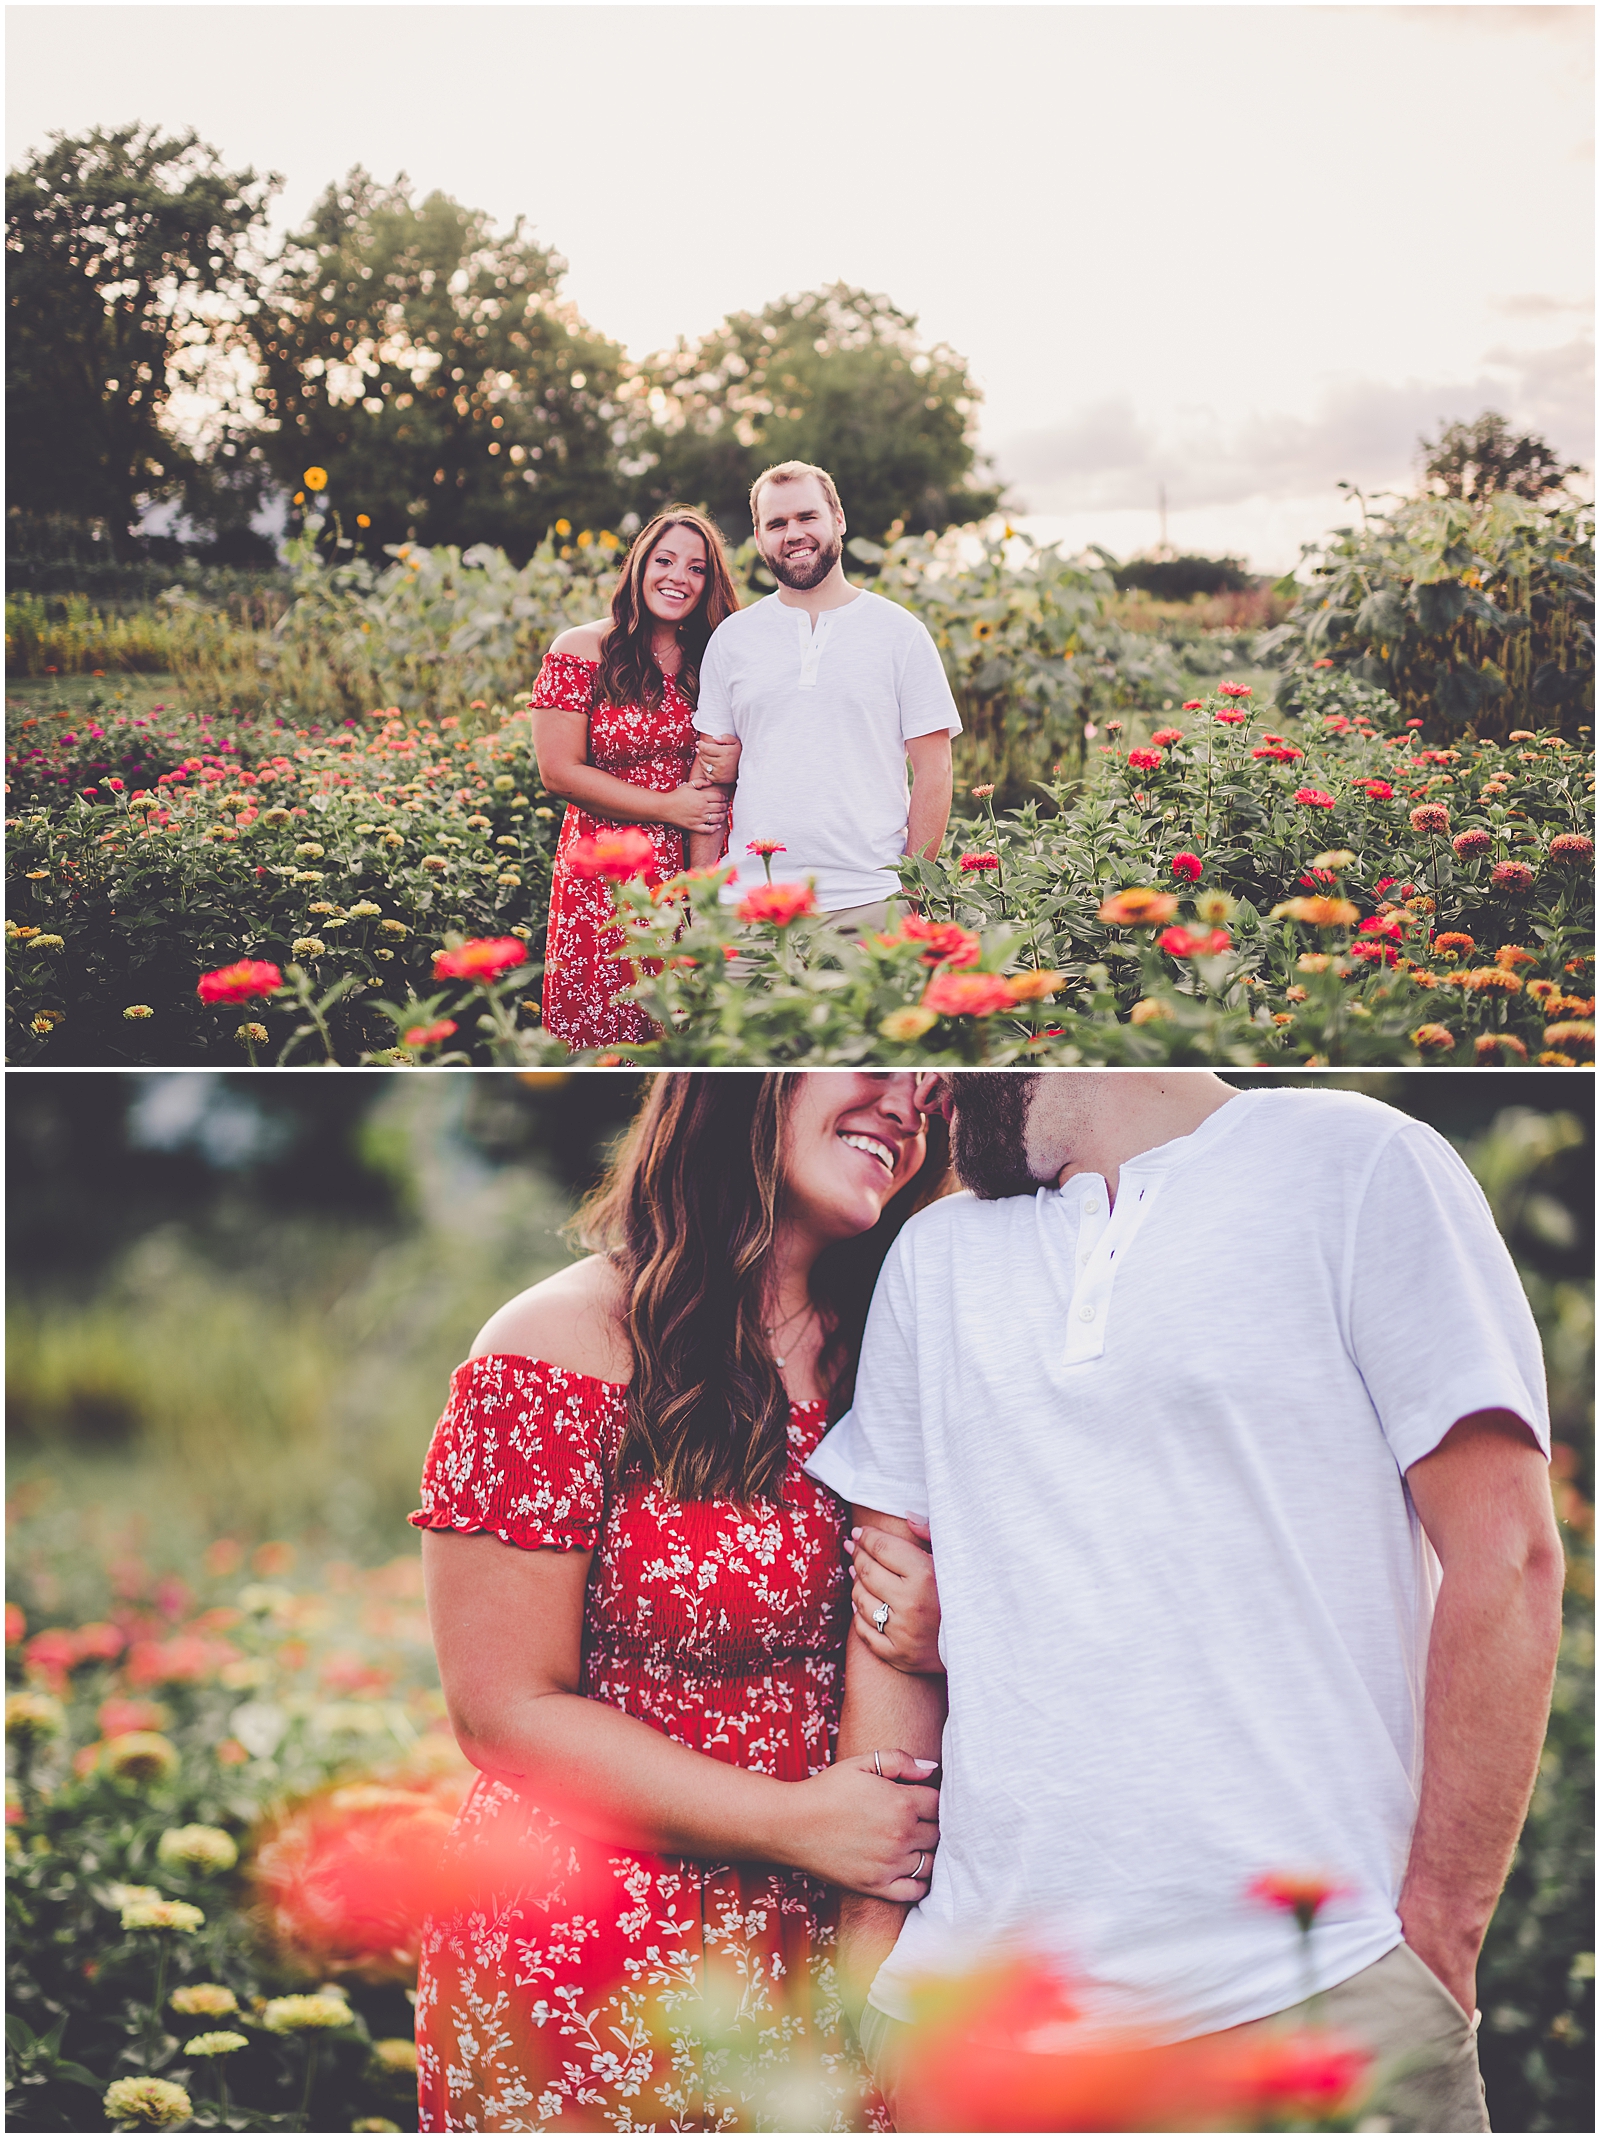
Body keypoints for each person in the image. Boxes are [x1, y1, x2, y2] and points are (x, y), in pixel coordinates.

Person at [807, 1070, 1564, 2135]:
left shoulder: (1357, 1163)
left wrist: (1430, 1952)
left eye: (938, 1034)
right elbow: (886, 1629)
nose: (918, 1084)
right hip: (977, 2040)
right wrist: (869, 1987)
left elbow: (1510, 1555)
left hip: (1312, 1999)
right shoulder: (934, 1260)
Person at [411, 1072, 950, 2132]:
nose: (908, 1102)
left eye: (932, 1089)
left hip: (853, 1924)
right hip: (602, 1946)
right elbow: (502, 1708)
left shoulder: (896, 1345)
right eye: (873, 1057)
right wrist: (799, 1822)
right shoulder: (558, 1343)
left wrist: (954, 1628)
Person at [688, 462, 962, 938]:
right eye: (776, 524)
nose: (792, 534)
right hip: (747, 908)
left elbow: (934, 770)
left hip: (869, 900)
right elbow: (710, 778)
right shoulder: (732, 639)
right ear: (758, 537)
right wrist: (701, 897)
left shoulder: (900, 634)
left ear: (838, 519)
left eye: (806, 517)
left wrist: (913, 892)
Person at [529, 510, 741, 1049]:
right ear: (639, 565)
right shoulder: (580, 649)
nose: (678, 577)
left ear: (709, 584)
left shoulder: (716, 656)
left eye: (696, 568)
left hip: (704, 857)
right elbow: (559, 772)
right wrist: (668, 807)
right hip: (608, 875)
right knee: (611, 1029)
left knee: (699, 1029)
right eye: (665, 560)